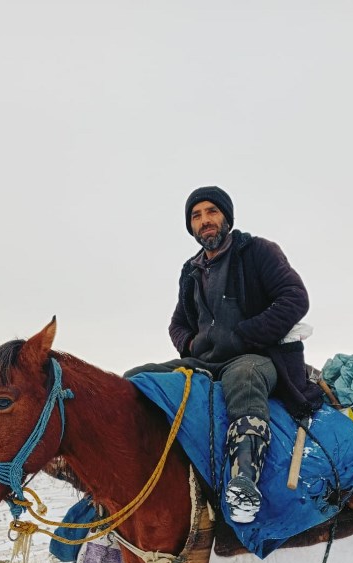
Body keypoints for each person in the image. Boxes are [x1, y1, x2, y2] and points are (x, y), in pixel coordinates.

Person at [125, 186, 322, 524]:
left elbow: (294, 297)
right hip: (205, 362)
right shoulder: (191, 270)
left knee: (243, 377)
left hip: (260, 357)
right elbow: (176, 323)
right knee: (139, 378)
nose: (205, 221)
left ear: (226, 217)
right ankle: (129, 474)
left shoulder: (258, 251)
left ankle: (244, 480)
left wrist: (244, 335)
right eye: (196, 216)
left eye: (211, 212)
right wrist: (190, 345)